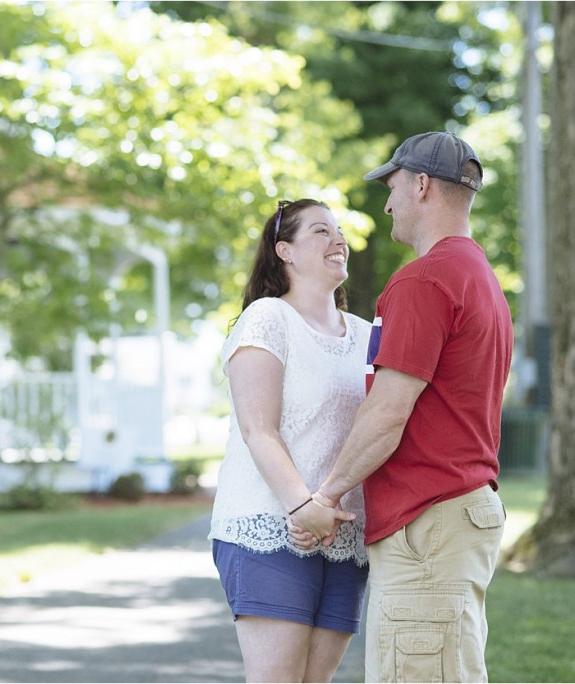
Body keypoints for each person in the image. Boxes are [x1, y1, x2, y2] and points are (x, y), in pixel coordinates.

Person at [290, 132, 513, 683]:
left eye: (391, 188)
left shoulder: (424, 279)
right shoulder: (480, 277)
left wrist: (327, 494)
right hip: (456, 514)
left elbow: (389, 411)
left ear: (420, 185)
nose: (386, 204)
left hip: (429, 524)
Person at [208, 198, 372, 683]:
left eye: (339, 231)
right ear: (285, 250)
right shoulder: (267, 318)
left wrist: (328, 508)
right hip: (269, 525)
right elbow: (259, 428)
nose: (337, 239)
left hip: (344, 533)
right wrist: (302, 506)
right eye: (321, 231)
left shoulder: (366, 335)